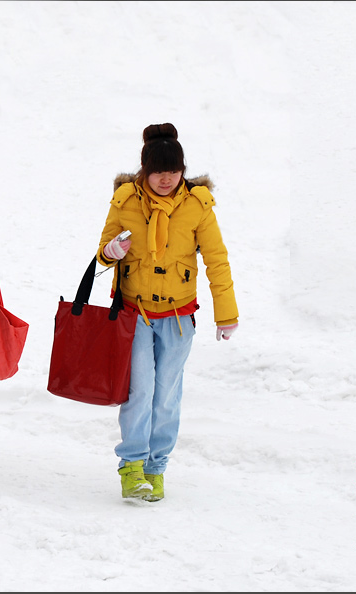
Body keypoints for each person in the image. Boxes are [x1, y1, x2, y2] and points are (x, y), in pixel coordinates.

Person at [96, 123, 238, 502]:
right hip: (135, 313)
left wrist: (226, 314)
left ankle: (157, 466)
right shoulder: (125, 201)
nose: (166, 179)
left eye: (173, 172)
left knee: (167, 396)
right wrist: (110, 253)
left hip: (178, 318)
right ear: (145, 170)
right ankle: (132, 466)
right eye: (158, 172)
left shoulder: (198, 206)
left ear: (182, 171)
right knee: (139, 392)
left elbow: (217, 261)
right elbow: (102, 252)